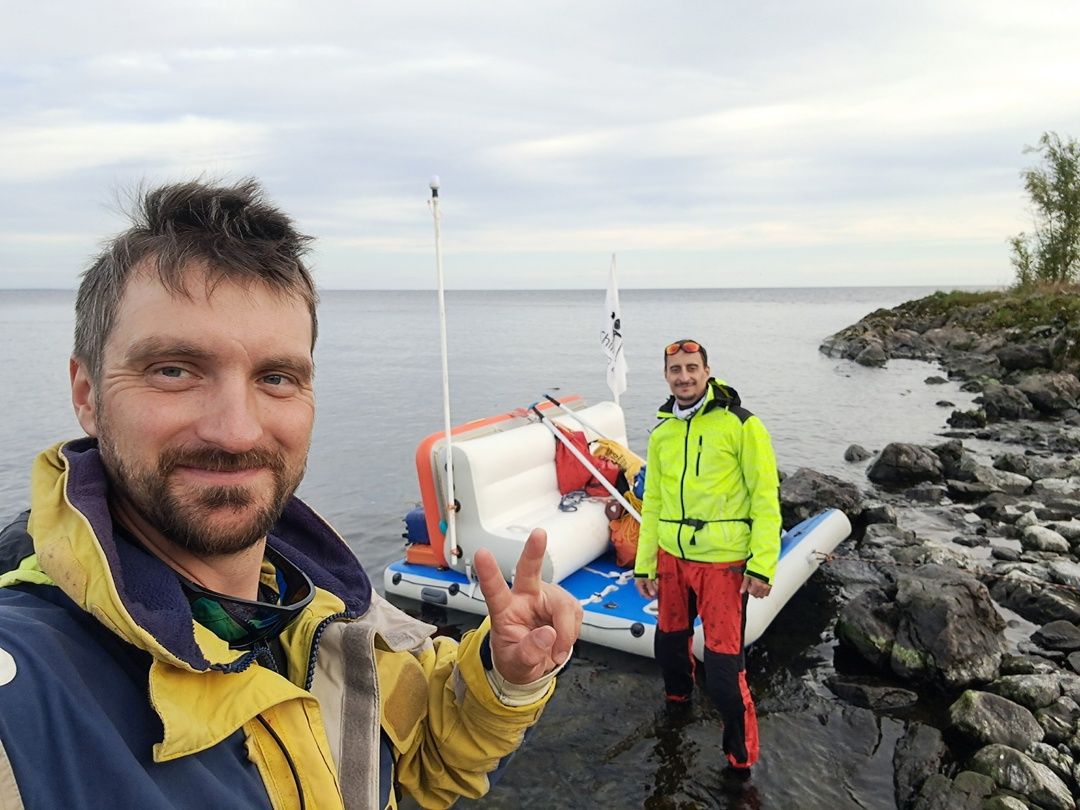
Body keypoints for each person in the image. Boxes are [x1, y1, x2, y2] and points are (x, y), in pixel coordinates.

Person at [0, 179, 582, 809]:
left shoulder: (335, 612)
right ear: (87, 394)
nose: (236, 429)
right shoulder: (27, 683)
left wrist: (505, 676)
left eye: (276, 377)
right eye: (174, 370)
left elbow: (427, 765)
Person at [633, 338, 781, 781]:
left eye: (692, 368)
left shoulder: (741, 424)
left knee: (723, 673)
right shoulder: (661, 432)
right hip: (671, 560)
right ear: (665, 376)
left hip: (724, 564)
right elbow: (653, 503)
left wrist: (762, 564)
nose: (684, 377)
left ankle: (740, 761)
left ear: (707, 370)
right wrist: (645, 564)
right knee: (668, 649)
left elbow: (765, 497)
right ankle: (676, 710)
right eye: (675, 369)